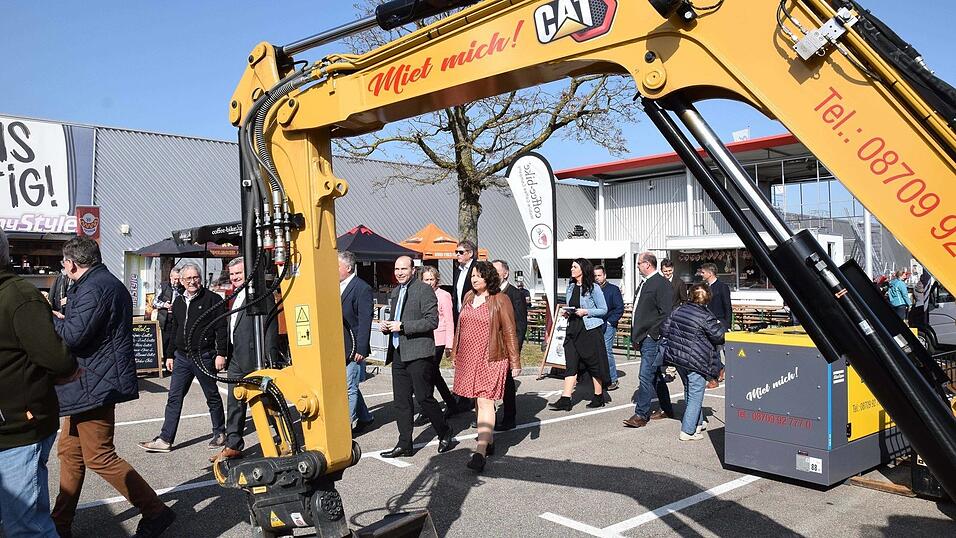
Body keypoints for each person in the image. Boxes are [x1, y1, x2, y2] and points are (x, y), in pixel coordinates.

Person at [50, 236, 175, 537]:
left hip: (94, 384)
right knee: (70, 453)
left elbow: (73, 336)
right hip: (88, 383)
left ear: (72, 263)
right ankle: (59, 524)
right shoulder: (101, 283)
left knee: (99, 456)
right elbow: (86, 329)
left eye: (64, 263)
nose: (64, 269)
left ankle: (156, 511)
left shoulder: (95, 286)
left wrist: (49, 318)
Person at [0, 229, 78, 537]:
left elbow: (55, 358)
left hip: (20, 429)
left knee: (26, 526)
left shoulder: (18, 295)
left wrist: (68, 369)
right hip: (13, 426)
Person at [139, 262, 228, 453]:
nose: (192, 281)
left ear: (200, 278)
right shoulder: (179, 301)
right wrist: (169, 355)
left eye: (195, 277)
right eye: (188, 278)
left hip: (203, 356)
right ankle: (165, 439)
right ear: (181, 280)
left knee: (211, 396)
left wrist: (221, 353)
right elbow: (175, 329)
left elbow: (222, 328)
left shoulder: (213, 299)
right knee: (174, 398)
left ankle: (219, 432)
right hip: (182, 357)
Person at [380, 256, 455, 458]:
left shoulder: (423, 290)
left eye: (403, 268)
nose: (399, 272)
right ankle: (405, 444)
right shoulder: (396, 292)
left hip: (419, 353)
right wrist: (387, 326)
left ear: (413, 270)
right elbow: (396, 319)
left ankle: (445, 431)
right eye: (396, 268)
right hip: (398, 352)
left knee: (424, 398)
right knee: (401, 401)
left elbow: (432, 322)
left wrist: (403, 327)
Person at [453, 261, 521, 472]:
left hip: (491, 357)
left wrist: (515, 362)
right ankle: (488, 440)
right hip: (468, 355)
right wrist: (455, 351)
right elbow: (460, 327)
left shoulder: (501, 299)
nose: (474, 279)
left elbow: (510, 331)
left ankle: (480, 452)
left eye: (479, 276)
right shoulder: (468, 297)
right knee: (476, 399)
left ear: (489, 278)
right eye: (472, 275)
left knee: (485, 401)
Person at [211, 257, 280, 462]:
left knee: (267, 401)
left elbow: (271, 327)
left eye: (238, 273)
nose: (234, 278)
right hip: (236, 358)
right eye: (232, 275)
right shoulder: (236, 295)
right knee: (235, 402)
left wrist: (270, 358)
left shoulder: (259, 294)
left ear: (248, 272)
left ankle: (284, 437)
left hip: (255, 357)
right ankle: (233, 444)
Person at [660, 284, 725, 441]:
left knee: (689, 390)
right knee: (696, 394)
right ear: (707, 298)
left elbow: (664, 329)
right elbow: (719, 336)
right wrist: (720, 325)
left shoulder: (679, 309)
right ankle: (688, 431)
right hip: (697, 359)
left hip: (678, 358)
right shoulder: (706, 316)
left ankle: (698, 423)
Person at [549, 258, 609, 411]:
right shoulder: (570, 287)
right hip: (573, 328)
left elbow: (603, 309)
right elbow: (572, 305)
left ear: (582, 269)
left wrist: (586, 311)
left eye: (574, 266)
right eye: (571, 266)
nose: (571, 269)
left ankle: (598, 395)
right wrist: (568, 313)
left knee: (593, 363)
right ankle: (565, 399)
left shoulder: (593, 288)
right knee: (571, 363)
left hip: (589, 329)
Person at [623, 252, 675, 429]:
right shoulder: (645, 283)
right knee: (655, 376)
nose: (637, 266)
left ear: (647, 264)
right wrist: (636, 335)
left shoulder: (661, 284)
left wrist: (652, 334)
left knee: (645, 375)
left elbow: (666, 313)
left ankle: (641, 414)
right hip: (643, 336)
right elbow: (641, 310)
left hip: (652, 338)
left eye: (639, 263)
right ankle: (667, 408)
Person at [418, 266, 461, 422]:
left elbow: (450, 321)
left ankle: (427, 409)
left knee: (428, 373)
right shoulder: (420, 294)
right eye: (426, 279)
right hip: (425, 338)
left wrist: (450, 344)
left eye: (432, 279)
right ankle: (450, 403)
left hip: (440, 339)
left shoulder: (443, 295)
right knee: (434, 374)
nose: (429, 282)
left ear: (437, 280)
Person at [339, 251, 376, 435]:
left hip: (353, 346)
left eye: (336, 266)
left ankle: (346, 427)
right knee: (348, 383)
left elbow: (364, 321)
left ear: (348, 267)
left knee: (349, 387)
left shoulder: (362, 288)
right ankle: (366, 417)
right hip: (339, 346)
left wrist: (361, 348)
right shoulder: (336, 286)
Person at [492, 259, 528, 430]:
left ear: (505, 273)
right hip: (491, 347)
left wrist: (516, 349)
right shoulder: (489, 293)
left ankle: (509, 418)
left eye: (496, 271)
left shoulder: (514, 294)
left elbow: (520, 324)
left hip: (507, 346)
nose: (492, 273)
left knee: (506, 383)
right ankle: (487, 417)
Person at [594, 264, 624, 391]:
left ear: (605, 275)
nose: (597, 278)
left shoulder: (613, 289)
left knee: (606, 351)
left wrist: (611, 322)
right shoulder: (592, 289)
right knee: (595, 352)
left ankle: (612, 379)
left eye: (599, 275)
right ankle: (597, 378)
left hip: (608, 324)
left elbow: (619, 308)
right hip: (594, 324)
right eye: (595, 276)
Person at [700, 262, 730, 387]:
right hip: (708, 322)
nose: (701, 274)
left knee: (724, 350)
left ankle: (722, 373)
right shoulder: (705, 287)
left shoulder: (722, 286)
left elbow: (727, 306)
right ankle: (718, 372)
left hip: (719, 322)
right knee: (711, 351)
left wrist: (727, 324)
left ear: (710, 273)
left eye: (703, 272)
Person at [153, 267, 182, 354]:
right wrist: (164, 305)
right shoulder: (163, 286)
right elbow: (154, 302)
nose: (177, 281)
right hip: (165, 320)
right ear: (170, 277)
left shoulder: (182, 288)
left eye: (179, 279)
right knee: (165, 343)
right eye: (175, 279)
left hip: (177, 319)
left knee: (176, 343)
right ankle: (166, 362)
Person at [452, 240, 477, 324]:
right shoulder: (458, 270)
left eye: (461, 252)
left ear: (470, 253)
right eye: (456, 252)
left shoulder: (476, 268)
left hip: (473, 314)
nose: (457, 254)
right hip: (459, 314)